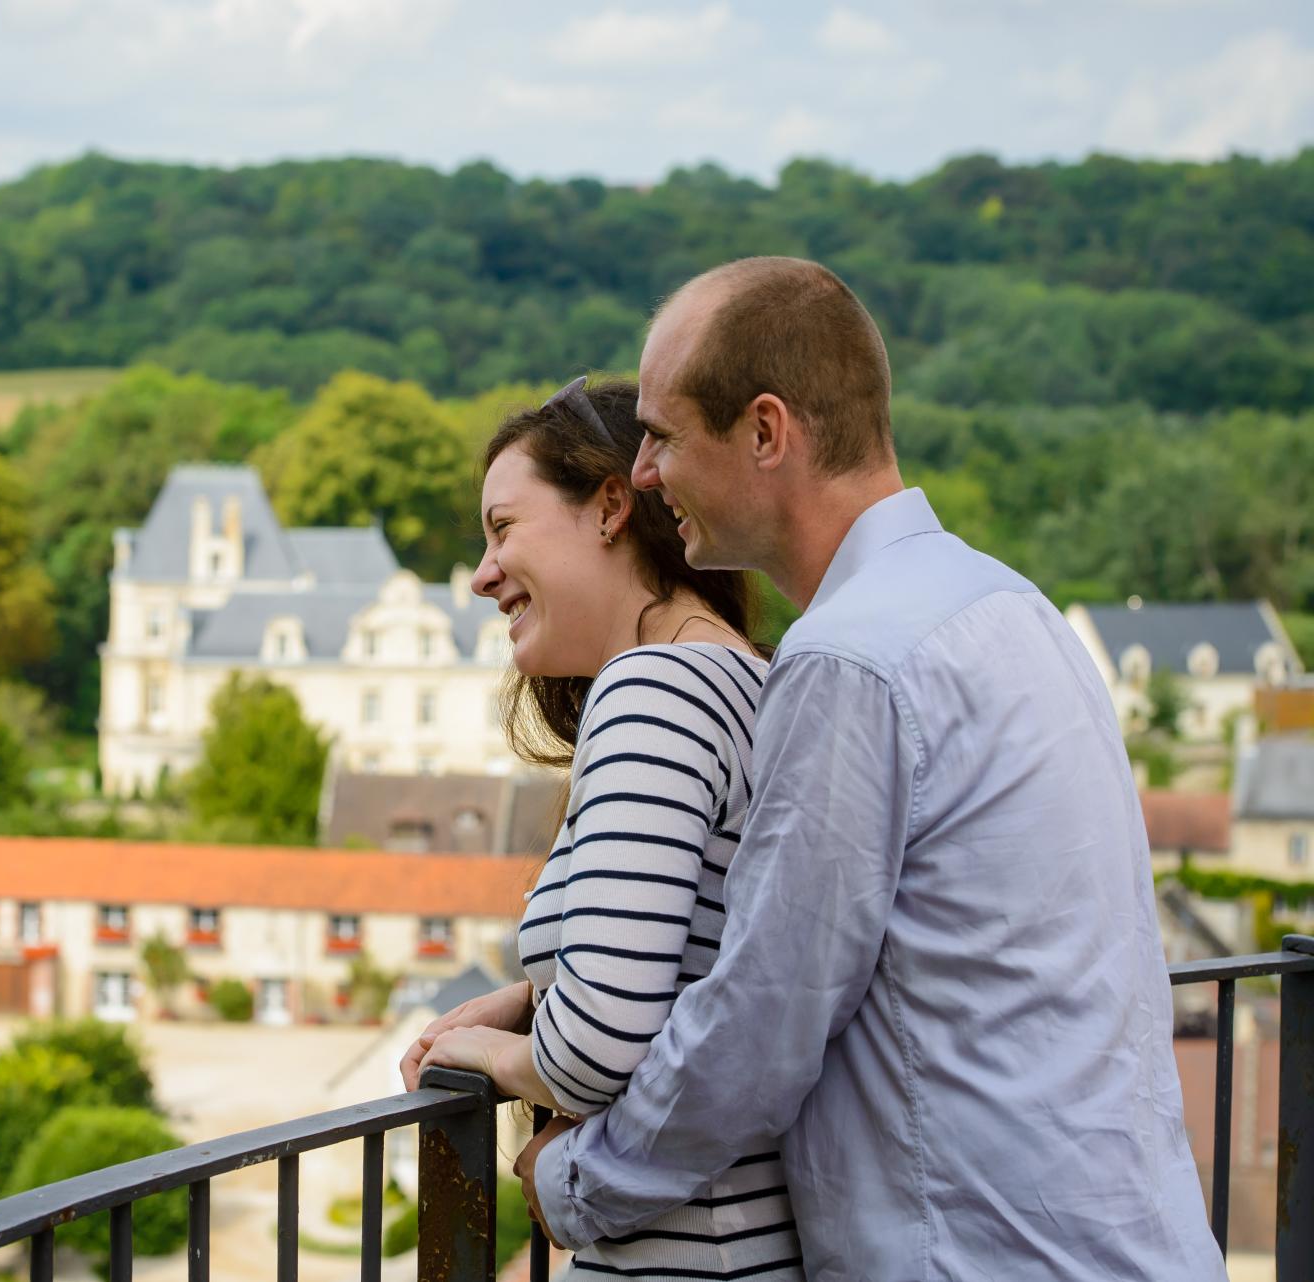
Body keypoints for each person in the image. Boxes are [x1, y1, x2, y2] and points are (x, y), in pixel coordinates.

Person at [513, 258, 1222, 1280]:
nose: (648, 474)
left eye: (664, 436)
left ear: (766, 433)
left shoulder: (852, 660)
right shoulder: (1009, 607)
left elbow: (763, 1019)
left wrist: (579, 1182)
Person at [400, 378, 803, 1280]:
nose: (481, 573)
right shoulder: (754, 682)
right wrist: (532, 998)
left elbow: (599, 1048)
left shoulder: (654, 687)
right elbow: (698, 969)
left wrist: (487, 1054)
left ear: (612, 507)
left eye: (504, 529)